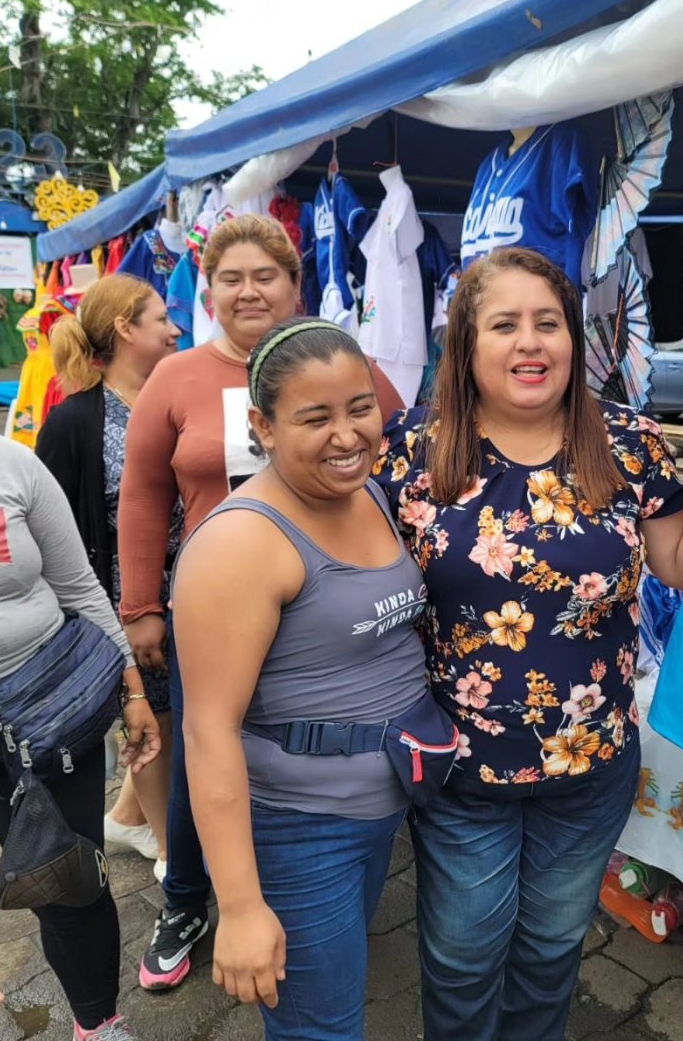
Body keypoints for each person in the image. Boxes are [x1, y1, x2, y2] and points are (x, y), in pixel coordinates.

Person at [374, 246, 683, 1041]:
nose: (529, 343)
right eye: (504, 324)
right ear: (467, 345)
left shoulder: (628, 442)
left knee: (548, 955)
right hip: (460, 774)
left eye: (548, 323)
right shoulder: (413, 448)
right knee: (462, 958)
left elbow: (679, 561)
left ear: (575, 340)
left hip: (590, 768)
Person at [117, 214, 404, 991]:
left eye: (265, 276)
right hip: (218, 606)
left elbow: (397, 455)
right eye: (232, 278)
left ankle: (312, 905)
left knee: (271, 761)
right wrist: (140, 604)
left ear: (293, 285)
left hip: (324, 606)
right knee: (206, 751)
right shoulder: (176, 379)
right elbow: (143, 496)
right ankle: (187, 900)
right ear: (207, 289)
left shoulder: (350, 371)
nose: (249, 291)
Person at [173, 319, 430, 1039]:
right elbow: (207, 730)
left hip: (386, 806)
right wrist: (243, 906)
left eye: (359, 407)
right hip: (301, 830)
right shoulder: (240, 543)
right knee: (322, 1030)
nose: (347, 435)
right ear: (263, 425)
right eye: (315, 418)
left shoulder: (368, 492)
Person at [0, 434, 161, 1040]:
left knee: (70, 883)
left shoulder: (10, 463)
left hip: (48, 713)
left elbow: (79, 587)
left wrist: (133, 692)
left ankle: (97, 1024)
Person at [36, 273, 182, 883]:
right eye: (160, 318)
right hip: (126, 605)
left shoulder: (169, 399)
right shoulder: (74, 422)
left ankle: (125, 815)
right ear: (125, 328)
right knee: (153, 722)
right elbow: (53, 534)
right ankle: (179, 862)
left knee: (179, 719)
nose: (175, 328)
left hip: (189, 591)